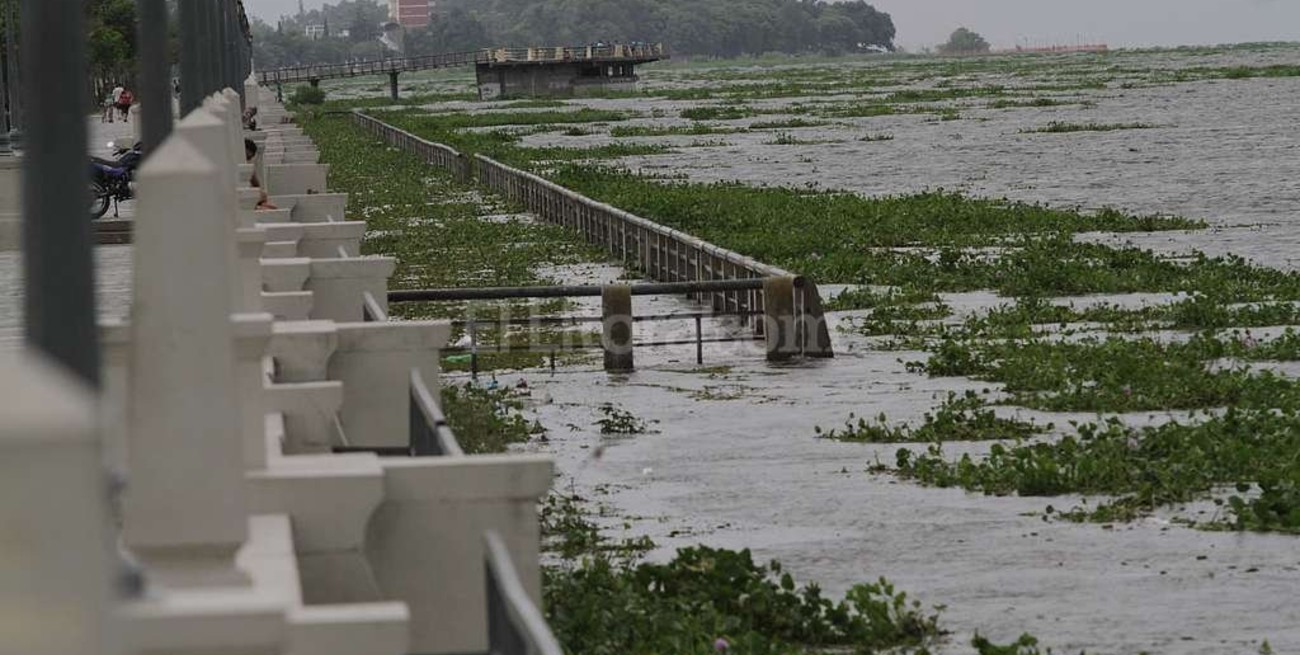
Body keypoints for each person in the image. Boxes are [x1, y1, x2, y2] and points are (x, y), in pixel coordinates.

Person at [244, 138, 277, 210]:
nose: (247, 160)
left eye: (249, 158)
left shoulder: (248, 168)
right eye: (247, 157)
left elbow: (257, 187)